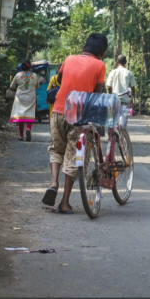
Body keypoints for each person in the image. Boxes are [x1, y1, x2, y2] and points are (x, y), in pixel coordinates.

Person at [43, 33, 108, 214]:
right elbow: (96, 94)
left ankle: (53, 182)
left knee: (56, 149)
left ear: (84, 48)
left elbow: (61, 80)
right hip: (78, 117)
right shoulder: (99, 65)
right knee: (73, 156)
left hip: (57, 111)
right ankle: (64, 203)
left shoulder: (69, 59)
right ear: (103, 52)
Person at [9, 60, 39, 142]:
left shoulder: (18, 75)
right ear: (30, 67)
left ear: (22, 67)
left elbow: (12, 86)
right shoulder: (35, 75)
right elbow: (37, 87)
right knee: (30, 113)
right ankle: (28, 128)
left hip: (20, 97)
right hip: (31, 97)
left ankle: (21, 135)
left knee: (20, 115)